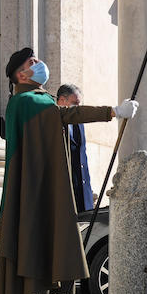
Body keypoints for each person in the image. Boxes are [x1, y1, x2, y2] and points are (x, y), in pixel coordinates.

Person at [0, 47, 139, 294]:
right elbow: (65, 114)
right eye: (31, 63)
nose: (39, 65)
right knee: (26, 255)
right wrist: (111, 112)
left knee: (44, 254)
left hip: (42, 193)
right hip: (27, 196)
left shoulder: (40, 100)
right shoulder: (25, 101)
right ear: (20, 75)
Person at [56, 84, 94, 213]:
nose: (78, 109)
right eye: (74, 104)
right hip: (64, 190)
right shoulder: (53, 120)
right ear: (61, 101)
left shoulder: (79, 124)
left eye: (79, 105)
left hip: (82, 190)